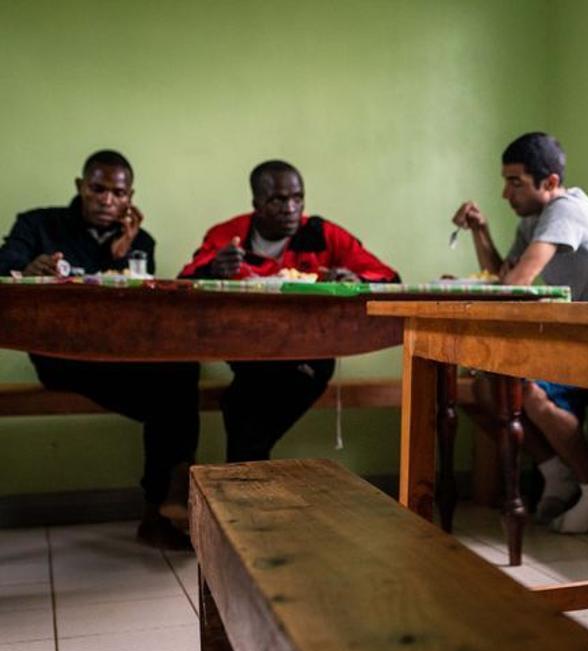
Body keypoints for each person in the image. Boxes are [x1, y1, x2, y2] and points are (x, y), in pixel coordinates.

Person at [0, 150, 199, 550]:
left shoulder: (139, 240)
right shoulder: (39, 224)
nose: (107, 199)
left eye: (118, 192)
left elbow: (140, 307)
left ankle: (166, 498)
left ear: (130, 197)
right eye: (98, 188)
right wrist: (28, 271)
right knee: (173, 398)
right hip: (59, 356)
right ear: (81, 187)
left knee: (179, 372)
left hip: (120, 356)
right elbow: (5, 266)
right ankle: (168, 496)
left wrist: (122, 252)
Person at [452, 132, 588, 533]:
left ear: (550, 183)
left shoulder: (565, 210)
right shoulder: (535, 220)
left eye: (515, 182)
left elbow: (518, 283)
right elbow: (501, 275)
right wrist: (480, 231)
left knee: (521, 384)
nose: (505, 193)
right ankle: (556, 472)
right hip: (572, 336)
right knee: (484, 384)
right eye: (505, 181)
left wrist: (478, 294)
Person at [180, 160, 399, 463]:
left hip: (308, 352)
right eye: (278, 200)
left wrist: (356, 279)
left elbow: (387, 277)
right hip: (247, 351)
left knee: (244, 408)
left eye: (298, 198)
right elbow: (183, 283)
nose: (290, 208)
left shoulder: (321, 233)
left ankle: (243, 493)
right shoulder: (228, 236)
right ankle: (247, 494)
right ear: (256, 203)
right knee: (245, 409)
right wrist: (213, 268)